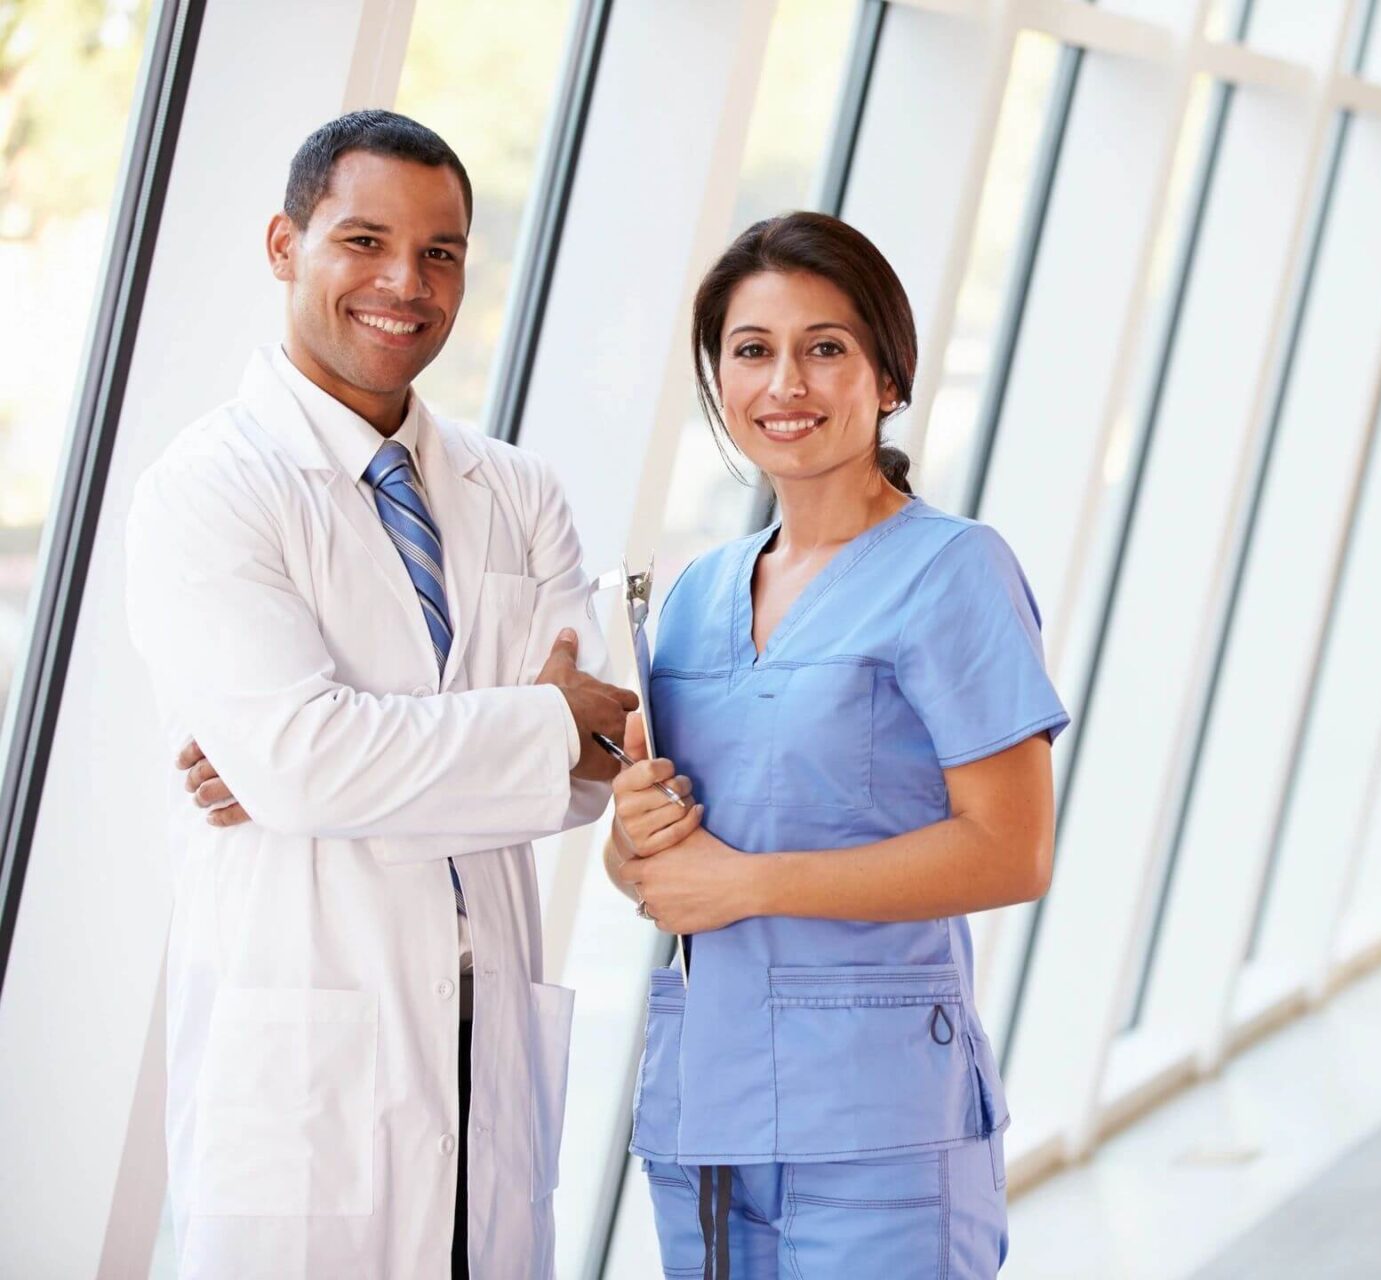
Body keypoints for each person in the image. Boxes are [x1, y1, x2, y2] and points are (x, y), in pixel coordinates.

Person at [123, 110, 635, 1279]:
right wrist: (537, 722)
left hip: (482, 1033)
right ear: (283, 245)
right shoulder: (210, 490)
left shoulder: (517, 489)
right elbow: (313, 759)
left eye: (442, 252)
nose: (406, 283)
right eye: (364, 241)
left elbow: (589, 773)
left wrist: (335, 764)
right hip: (312, 1057)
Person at [605, 211, 1068, 1278]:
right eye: (752, 351)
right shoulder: (697, 595)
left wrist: (750, 884)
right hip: (707, 1110)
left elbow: (1012, 849)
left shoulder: (953, 572)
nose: (787, 384)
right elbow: (660, 868)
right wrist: (635, 845)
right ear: (719, 380)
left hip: (878, 1125)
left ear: (889, 376)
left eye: (826, 348)